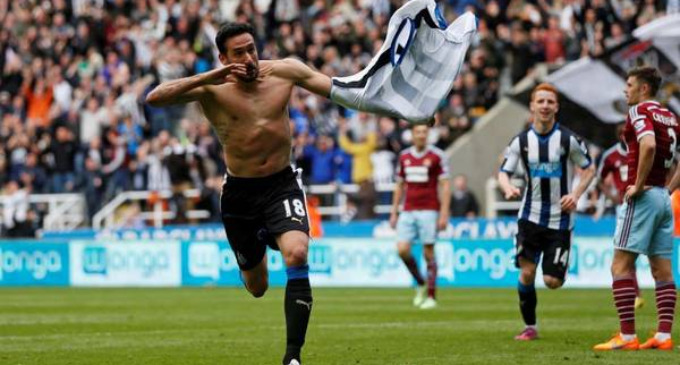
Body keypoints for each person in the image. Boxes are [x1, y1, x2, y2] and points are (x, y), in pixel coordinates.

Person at [146, 23, 334, 365]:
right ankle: (262, 236)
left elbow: (339, 89)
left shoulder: (283, 72)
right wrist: (209, 76)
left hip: (281, 183)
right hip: (239, 194)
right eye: (238, 53)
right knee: (257, 287)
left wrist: (405, 109)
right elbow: (155, 97)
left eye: (251, 49)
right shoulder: (212, 90)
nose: (248, 58)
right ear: (222, 58)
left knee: (297, 253)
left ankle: (293, 357)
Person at [497, 83, 596, 341]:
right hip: (529, 217)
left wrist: (575, 194)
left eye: (549, 102)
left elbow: (589, 169)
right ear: (532, 106)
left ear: (556, 107)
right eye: (540, 101)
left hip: (560, 221)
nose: (544, 106)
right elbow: (503, 172)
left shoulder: (567, 140)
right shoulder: (521, 142)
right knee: (527, 273)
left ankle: (557, 265)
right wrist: (507, 188)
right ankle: (530, 327)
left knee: (552, 281)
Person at [594, 66, 679, 351]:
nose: (625, 89)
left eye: (629, 84)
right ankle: (664, 336)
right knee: (663, 270)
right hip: (663, 199)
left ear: (643, 88)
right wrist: (668, 190)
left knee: (620, 265)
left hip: (643, 198)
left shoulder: (638, 112)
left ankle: (627, 337)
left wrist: (639, 185)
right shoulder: (669, 116)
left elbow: (649, 146)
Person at [389, 123, 451, 310]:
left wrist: (444, 213)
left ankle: (431, 296)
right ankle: (420, 282)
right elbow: (399, 185)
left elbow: (445, 185)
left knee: (428, 252)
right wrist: (394, 211)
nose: (422, 135)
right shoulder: (405, 156)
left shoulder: (437, 156)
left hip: (429, 210)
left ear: (429, 134)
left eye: (425, 132)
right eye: (418, 132)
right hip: (408, 209)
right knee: (402, 249)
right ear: (412, 135)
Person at [596, 125, 644, 309]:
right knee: (625, 252)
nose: (626, 136)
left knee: (652, 254)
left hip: (646, 203)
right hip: (624, 207)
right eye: (623, 133)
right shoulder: (610, 156)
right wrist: (612, 196)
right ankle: (636, 294)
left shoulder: (644, 148)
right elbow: (600, 179)